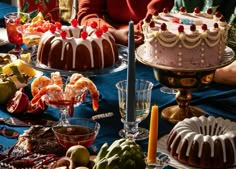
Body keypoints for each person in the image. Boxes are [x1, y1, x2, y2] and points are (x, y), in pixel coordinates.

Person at [77, 0, 174, 46]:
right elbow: (87, 14)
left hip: (155, 48)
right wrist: (113, 33)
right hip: (110, 44)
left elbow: (153, 22)